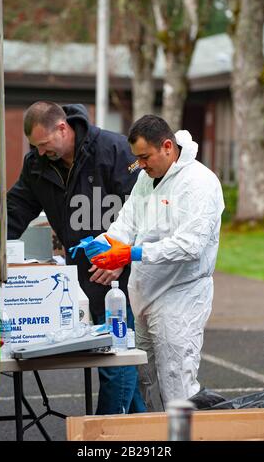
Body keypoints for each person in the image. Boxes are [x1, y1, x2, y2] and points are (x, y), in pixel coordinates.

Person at [7, 101, 146, 414]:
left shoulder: (113, 150)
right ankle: (140, 431)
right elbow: (15, 212)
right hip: (81, 279)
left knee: (116, 362)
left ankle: (102, 434)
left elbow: (144, 211)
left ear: (62, 128)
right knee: (117, 363)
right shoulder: (37, 165)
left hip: (121, 278)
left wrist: (121, 258)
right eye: (35, 147)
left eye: (44, 145)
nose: (41, 152)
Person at [85, 114, 225, 411]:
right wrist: (101, 244)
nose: (140, 164)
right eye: (137, 158)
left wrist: (132, 254)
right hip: (144, 294)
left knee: (177, 382)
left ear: (166, 146)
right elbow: (126, 225)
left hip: (181, 296)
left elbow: (192, 246)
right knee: (144, 379)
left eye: (145, 157)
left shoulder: (200, 183)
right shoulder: (145, 181)